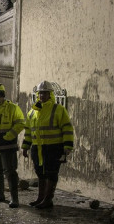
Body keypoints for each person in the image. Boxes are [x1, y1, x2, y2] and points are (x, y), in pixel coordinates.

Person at [21, 81, 75, 209]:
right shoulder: (32, 112)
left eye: (45, 93)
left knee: (51, 173)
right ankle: (40, 198)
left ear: (50, 94)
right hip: (37, 148)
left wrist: (67, 146)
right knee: (40, 173)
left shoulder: (58, 109)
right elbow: (29, 131)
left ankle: (47, 199)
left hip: (53, 148)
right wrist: (25, 146)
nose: (42, 96)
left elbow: (67, 128)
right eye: (40, 93)